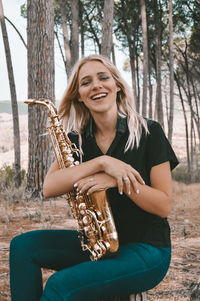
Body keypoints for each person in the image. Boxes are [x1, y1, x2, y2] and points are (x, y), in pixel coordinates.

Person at [10, 54, 179, 301]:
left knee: (60, 286)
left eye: (103, 78)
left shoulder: (148, 132)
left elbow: (163, 206)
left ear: (117, 85)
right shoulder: (76, 139)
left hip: (147, 249)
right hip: (99, 244)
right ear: (79, 95)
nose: (96, 86)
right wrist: (102, 163)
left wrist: (117, 181)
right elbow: (49, 187)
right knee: (22, 247)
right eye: (86, 82)